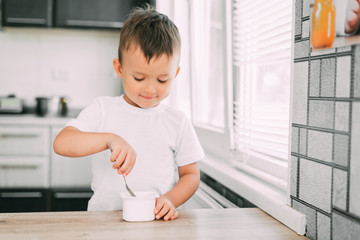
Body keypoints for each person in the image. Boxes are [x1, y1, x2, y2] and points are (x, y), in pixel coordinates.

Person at [53, 5, 204, 221]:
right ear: (119, 69)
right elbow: (62, 144)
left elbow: (190, 175)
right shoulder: (103, 109)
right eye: (139, 78)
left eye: (162, 80)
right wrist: (109, 139)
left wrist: (170, 199)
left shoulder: (177, 121)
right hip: (102, 222)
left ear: (175, 73)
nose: (151, 89)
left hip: (155, 222)